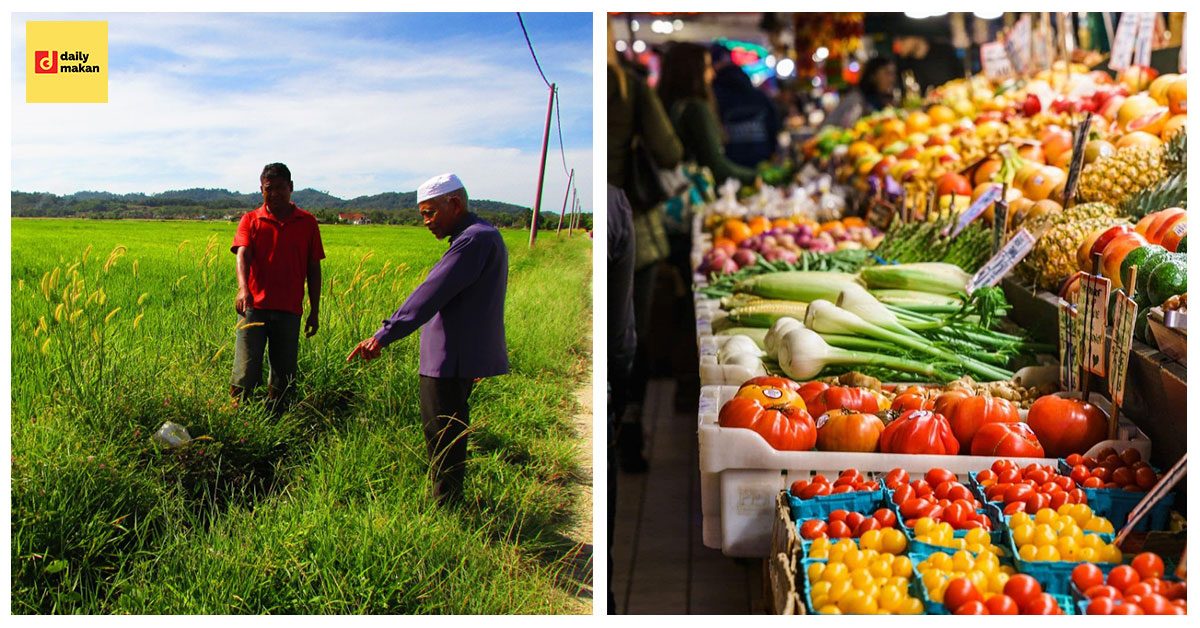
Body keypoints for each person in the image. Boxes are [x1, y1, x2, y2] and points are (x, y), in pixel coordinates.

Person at [347, 173, 508, 506]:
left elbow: (429, 294)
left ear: (455, 204)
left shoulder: (473, 241)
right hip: (458, 357)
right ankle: (446, 502)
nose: (425, 222)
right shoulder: (482, 236)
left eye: (430, 212)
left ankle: (446, 511)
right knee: (447, 434)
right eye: (422, 214)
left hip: (449, 361)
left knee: (443, 438)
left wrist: (382, 335)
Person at [608, 22, 683, 473]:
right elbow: (670, 152)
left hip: (607, 220)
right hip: (631, 220)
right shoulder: (629, 86)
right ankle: (627, 432)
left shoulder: (626, 85)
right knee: (626, 335)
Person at [230, 162, 324, 413]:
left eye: (281, 188)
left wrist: (314, 310)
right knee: (245, 368)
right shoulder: (251, 220)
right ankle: (239, 417)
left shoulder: (307, 222)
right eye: (268, 188)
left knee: (284, 372)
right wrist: (243, 288)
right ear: (261, 189)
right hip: (254, 307)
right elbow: (242, 254)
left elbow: (314, 269)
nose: (274, 194)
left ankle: (278, 420)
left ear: (291, 188)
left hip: (289, 309)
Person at [657, 41, 758, 189]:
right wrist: (754, 177)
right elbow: (715, 165)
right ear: (693, 72)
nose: (713, 74)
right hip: (694, 195)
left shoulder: (666, 104)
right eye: (707, 67)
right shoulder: (696, 109)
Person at [710, 44, 781, 169]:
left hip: (731, 164)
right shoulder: (759, 96)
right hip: (761, 158)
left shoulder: (715, 97)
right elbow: (774, 124)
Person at [823, 55, 898, 129]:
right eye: (887, 73)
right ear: (873, 76)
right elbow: (847, 129)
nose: (892, 79)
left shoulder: (879, 100)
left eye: (893, 74)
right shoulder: (857, 100)